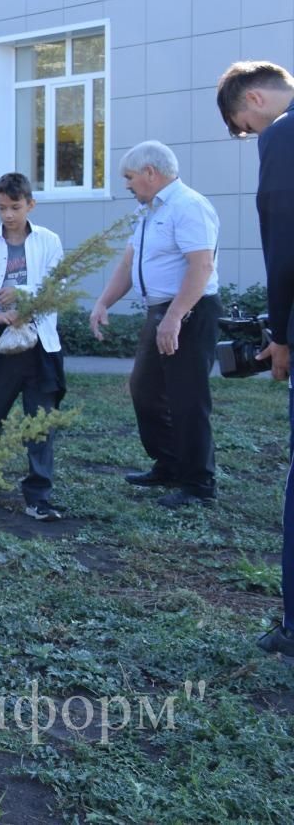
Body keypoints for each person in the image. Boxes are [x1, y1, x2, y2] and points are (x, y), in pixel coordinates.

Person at [89, 141, 221, 509]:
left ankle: (199, 485)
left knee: (187, 398)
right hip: (160, 312)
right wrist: (102, 302)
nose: (127, 185)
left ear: (151, 172)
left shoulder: (189, 206)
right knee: (145, 390)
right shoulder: (149, 211)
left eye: (129, 177)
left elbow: (201, 267)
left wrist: (176, 316)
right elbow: (129, 262)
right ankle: (170, 464)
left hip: (190, 313)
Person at [217, 60, 294, 662]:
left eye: (244, 125)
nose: (250, 136)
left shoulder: (284, 133)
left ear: (258, 99)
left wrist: (284, 332)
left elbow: (282, 233)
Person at [0, 173, 68, 521]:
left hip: (39, 343)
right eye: (1, 208)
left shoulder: (49, 242)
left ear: (30, 204)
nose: (8, 215)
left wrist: (23, 295)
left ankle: (39, 496)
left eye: (15, 207)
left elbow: (58, 284)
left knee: (40, 421)